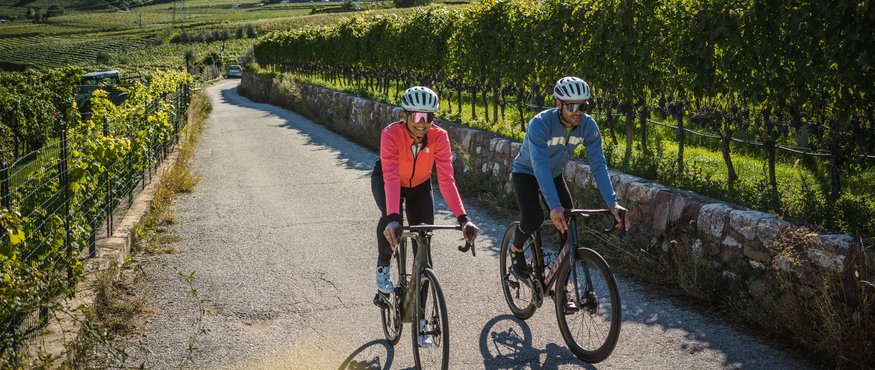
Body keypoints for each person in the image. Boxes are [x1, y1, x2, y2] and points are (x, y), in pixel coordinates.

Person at [509, 77, 626, 278]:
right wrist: (554, 205)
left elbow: (598, 165)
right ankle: (516, 248)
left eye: (583, 105)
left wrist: (612, 203)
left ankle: (561, 288)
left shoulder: (588, 126)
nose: (578, 111)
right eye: (572, 105)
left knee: (568, 227)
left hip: (553, 174)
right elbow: (540, 165)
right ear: (558, 103)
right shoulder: (539, 124)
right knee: (534, 217)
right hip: (526, 172)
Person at [372, 86, 479, 294]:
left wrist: (463, 219)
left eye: (428, 117)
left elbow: (447, 180)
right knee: (391, 220)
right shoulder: (391, 134)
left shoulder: (440, 137)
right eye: (418, 116)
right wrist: (394, 217)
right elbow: (392, 178)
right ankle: (383, 266)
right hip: (386, 179)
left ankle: (420, 317)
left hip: (419, 186)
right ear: (405, 115)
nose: (423, 123)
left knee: (424, 246)